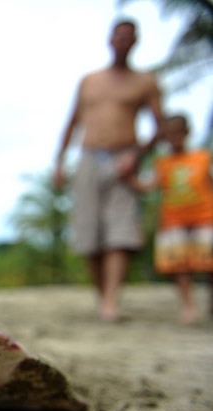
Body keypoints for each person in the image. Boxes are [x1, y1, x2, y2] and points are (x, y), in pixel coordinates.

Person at [53, 19, 163, 321]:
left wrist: (137, 157)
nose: (123, 41)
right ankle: (103, 298)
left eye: (129, 36)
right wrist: (59, 161)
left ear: (136, 41)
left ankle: (111, 303)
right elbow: (72, 122)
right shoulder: (89, 80)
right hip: (88, 156)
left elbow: (160, 126)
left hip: (124, 158)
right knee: (88, 233)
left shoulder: (145, 82)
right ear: (109, 39)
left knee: (120, 231)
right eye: (118, 35)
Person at [146, 115, 213, 323]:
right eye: (169, 134)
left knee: (209, 262)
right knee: (180, 265)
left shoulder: (203, 157)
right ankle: (188, 306)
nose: (174, 138)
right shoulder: (162, 163)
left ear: (187, 133)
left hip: (205, 217)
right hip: (173, 220)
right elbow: (149, 186)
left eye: (178, 133)